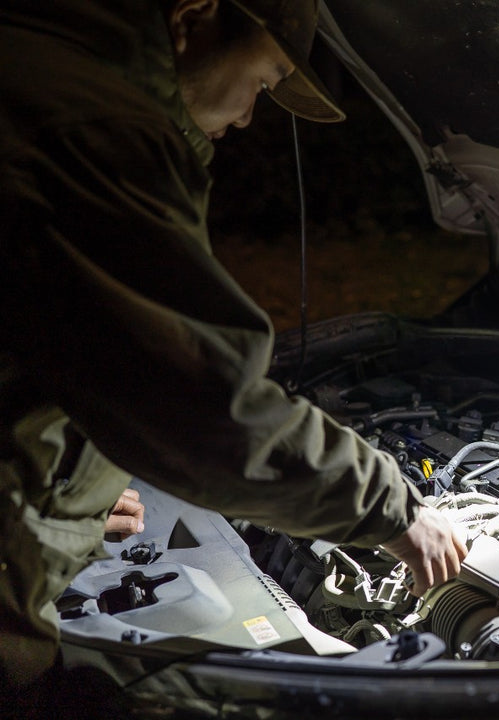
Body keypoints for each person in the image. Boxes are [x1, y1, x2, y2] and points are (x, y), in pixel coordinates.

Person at [0, 0, 467, 696]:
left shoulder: (43, 72)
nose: (251, 116)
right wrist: (393, 510)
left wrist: (80, 487)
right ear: (191, 18)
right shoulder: (96, 128)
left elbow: (67, 343)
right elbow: (206, 407)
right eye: (265, 78)